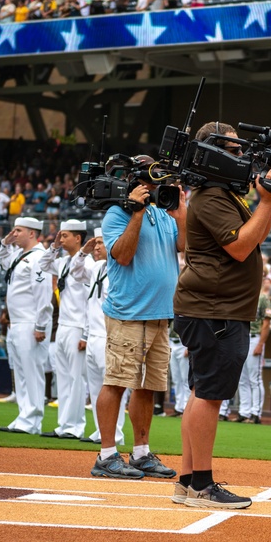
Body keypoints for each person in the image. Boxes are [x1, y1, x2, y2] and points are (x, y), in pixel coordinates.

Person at [173, 121, 271, 509]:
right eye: (235, 151)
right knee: (209, 396)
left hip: (215, 307)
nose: (241, 157)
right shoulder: (210, 196)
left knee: (200, 393)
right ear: (213, 153)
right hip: (215, 308)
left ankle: (188, 481)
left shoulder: (218, 194)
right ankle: (203, 486)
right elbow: (240, 248)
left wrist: (269, 205)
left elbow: (255, 236)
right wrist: (267, 203)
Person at [91, 154, 185, 480]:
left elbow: (184, 244)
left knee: (148, 387)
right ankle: (106, 455)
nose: (155, 183)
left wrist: (180, 207)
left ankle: (142, 453)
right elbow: (124, 255)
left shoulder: (164, 213)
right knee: (117, 382)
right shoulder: (116, 213)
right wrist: (137, 211)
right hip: (128, 314)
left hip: (160, 314)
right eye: (149, 177)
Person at [0, 217, 52, 435]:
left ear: (32, 233)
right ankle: (23, 416)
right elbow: (3, 261)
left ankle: (33, 420)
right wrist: (4, 244)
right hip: (16, 322)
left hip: (30, 323)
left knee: (32, 373)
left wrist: (40, 325)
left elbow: (43, 296)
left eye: (18, 230)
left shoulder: (40, 258)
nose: (14, 233)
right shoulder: (20, 255)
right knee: (20, 374)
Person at [73, 228, 126, 445]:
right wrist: (83, 252)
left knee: (113, 388)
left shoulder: (122, 268)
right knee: (95, 389)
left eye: (100, 244)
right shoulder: (96, 267)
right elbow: (76, 272)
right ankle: (100, 431)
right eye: (95, 244)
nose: (96, 247)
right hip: (93, 335)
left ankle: (116, 433)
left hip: (110, 336)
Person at [39, 219, 89, 440]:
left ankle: (75, 426)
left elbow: (89, 301)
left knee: (76, 378)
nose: (61, 238)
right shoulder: (63, 262)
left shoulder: (86, 264)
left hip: (78, 326)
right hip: (63, 326)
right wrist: (53, 247)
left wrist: (86, 333)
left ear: (78, 238)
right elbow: (43, 264)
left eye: (66, 235)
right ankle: (63, 424)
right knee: (63, 378)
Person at [233, 289, 271, 424]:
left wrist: (261, 343)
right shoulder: (242, 294)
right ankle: (244, 412)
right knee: (242, 379)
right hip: (241, 337)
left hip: (255, 337)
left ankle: (256, 413)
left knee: (255, 378)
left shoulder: (262, 297)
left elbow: (266, 323)